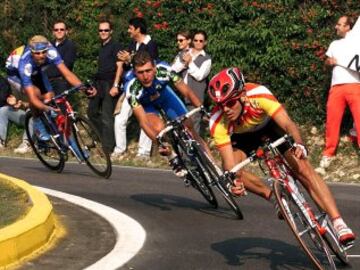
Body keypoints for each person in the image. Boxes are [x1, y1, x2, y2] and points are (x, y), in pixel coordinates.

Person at [207, 67, 356, 245]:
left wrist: (299, 144)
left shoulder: (259, 94)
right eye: (221, 105)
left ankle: (338, 222)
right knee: (230, 171)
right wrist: (234, 182)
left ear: (242, 95)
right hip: (243, 137)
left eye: (230, 103)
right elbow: (230, 164)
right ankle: (273, 196)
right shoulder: (217, 120)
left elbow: (287, 124)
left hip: (270, 126)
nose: (226, 109)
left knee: (302, 168)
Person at [124, 50, 202, 174]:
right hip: (147, 106)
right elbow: (143, 122)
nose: (145, 76)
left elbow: (186, 91)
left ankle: (213, 164)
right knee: (159, 128)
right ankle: (172, 156)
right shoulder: (131, 88)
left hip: (164, 96)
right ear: (134, 72)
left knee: (189, 125)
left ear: (154, 68)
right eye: (140, 72)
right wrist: (159, 143)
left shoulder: (164, 69)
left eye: (148, 70)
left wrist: (200, 107)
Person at [5, 35, 95, 142]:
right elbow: (32, 97)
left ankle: (56, 130)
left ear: (47, 48)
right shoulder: (25, 64)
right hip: (15, 75)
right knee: (36, 93)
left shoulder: (52, 52)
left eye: (44, 52)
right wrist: (45, 107)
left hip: (36, 69)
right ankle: (37, 121)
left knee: (50, 96)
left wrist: (83, 88)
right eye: (37, 53)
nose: (42, 55)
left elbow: (67, 74)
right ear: (32, 52)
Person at [113, 17, 158, 160]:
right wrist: (126, 60)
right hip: (131, 86)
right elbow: (126, 63)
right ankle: (120, 149)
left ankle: (143, 153)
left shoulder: (151, 44)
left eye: (130, 28)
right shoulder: (132, 44)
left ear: (138, 29)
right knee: (120, 118)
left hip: (145, 88)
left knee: (145, 118)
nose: (128, 31)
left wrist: (130, 58)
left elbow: (147, 64)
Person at [319, 15, 360, 169]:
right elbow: (326, 64)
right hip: (336, 87)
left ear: (348, 27)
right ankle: (328, 153)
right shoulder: (334, 44)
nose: (336, 27)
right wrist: (329, 62)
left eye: (339, 24)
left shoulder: (357, 41)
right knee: (332, 121)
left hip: (355, 86)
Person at [87, 19, 123, 154]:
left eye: (106, 30)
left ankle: (108, 148)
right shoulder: (102, 47)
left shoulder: (116, 46)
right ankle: (102, 138)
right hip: (99, 84)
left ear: (111, 31)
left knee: (107, 116)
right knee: (92, 112)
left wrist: (115, 85)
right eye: (101, 30)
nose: (103, 32)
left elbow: (120, 66)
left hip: (110, 83)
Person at [172, 30, 211, 135]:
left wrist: (190, 62)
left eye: (201, 41)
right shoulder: (184, 53)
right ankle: (182, 151)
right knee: (181, 126)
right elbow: (173, 69)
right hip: (181, 95)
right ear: (192, 41)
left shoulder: (207, 59)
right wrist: (185, 62)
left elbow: (200, 76)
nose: (198, 42)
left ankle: (196, 151)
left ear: (205, 42)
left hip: (195, 97)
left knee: (194, 128)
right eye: (196, 40)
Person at [0, 75, 32, 153]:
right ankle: (1, 140)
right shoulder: (12, 83)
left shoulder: (37, 83)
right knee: (3, 110)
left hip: (37, 117)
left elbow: (41, 104)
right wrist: (14, 103)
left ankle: (27, 143)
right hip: (23, 115)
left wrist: (23, 104)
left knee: (32, 114)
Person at [46, 20, 77, 95]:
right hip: (47, 82)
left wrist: (51, 66)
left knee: (61, 106)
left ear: (66, 31)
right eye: (56, 30)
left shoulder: (70, 45)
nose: (59, 31)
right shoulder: (48, 46)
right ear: (53, 32)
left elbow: (66, 65)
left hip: (61, 83)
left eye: (62, 29)